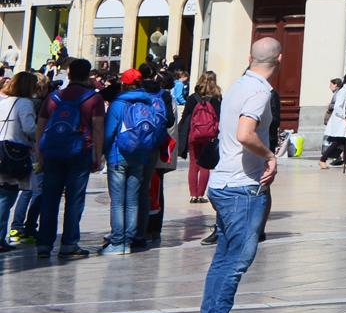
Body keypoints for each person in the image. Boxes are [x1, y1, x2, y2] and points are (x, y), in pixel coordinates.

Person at [199, 37, 282, 313]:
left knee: (223, 258)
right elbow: (245, 133)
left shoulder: (237, 85)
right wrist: (270, 156)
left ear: (250, 57)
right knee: (236, 260)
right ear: (280, 59)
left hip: (222, 182)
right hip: (241, 187)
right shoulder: (260, 92)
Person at [28, 56, 104, 257]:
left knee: (50, 198)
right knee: (74, 200)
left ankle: (44, 244)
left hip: (53, 152)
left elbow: (40, 127)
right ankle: (69, 243)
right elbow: (97, 129)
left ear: (69, 74)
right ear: (87, 75)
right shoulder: (93, 99)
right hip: (80, 152)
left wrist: (39, 154)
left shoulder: (53, 98)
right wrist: (98, 156)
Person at [103, 68, 174, 254]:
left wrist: (102, 152)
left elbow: (109, 132)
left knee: (118, 201)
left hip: (118, 155)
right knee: (136, 198)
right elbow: (162, 126)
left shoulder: (118, 103)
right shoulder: (153, 101)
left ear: (124, 84)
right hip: (143, 155)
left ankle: (118, 242)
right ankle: (133, 238)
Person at [1, 69, 39, 247]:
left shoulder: (3, 101)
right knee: (7, 197)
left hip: (1, 149)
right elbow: (30, 129)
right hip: (14, 153)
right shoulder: (24, 103)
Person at [183, 72, 223, 203]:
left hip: (193, 134)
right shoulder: (216, 98)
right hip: (209, 135)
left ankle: (193, 195)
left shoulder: (192, 98)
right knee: (205, 165)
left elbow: (185, 117)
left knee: (193, 164)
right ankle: (201, 195)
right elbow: (220, 117)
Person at [321, 75, 346, 169]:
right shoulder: (343, 91)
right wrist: (345, 117)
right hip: (341, 120)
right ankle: (323, 159)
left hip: (344, 120)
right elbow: (337, 106)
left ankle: (345, 161)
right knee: (338, 141)